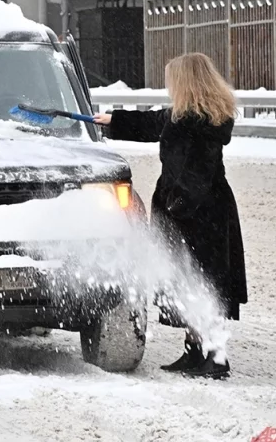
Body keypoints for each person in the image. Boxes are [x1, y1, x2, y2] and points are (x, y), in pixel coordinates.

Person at [93, 52, 247, 379]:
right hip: (185, 211)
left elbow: (198, 175)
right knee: (184, 280)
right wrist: (113, 121)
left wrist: (177, 205)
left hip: (202, 214)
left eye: (172, 81)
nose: (168, 87)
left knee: (204, 282)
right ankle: (194, 350)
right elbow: (151, 123)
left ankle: (215, 357)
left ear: (186, 83)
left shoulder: (203, 124)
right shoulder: (181, 117)